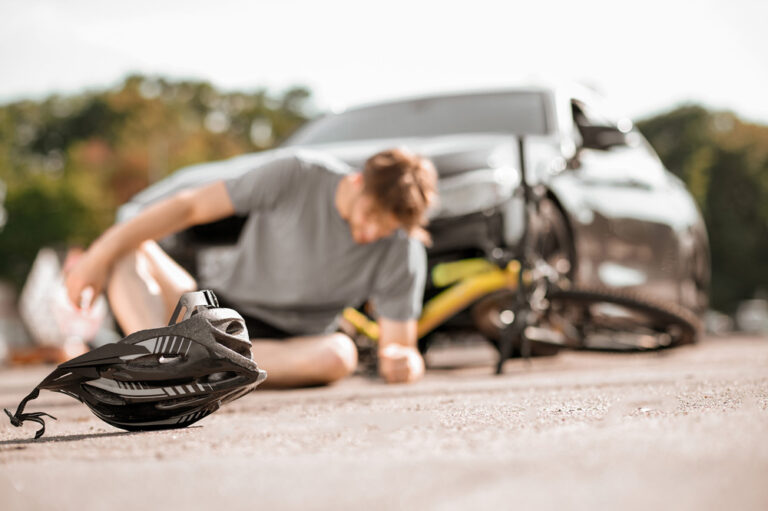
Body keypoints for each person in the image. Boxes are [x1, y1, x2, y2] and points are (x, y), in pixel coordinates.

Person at [65, 148, 438, 386]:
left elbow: (400, 348)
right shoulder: (296, 174)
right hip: (216, 310)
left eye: (386, 228)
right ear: (357, 180)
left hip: (286, 343)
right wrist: (97, 256)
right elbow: (191, 206)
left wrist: (404, 363)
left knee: (340, 356)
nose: (371, 233)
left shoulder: (402, 248)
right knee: (129, 247)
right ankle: (154, 365)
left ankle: (191, 367)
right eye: (370, 215)